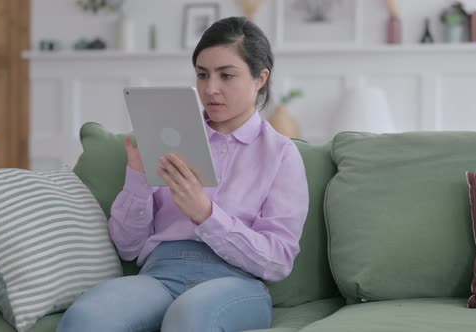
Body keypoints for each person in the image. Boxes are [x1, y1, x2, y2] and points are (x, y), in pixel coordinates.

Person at [57, 16, 309, 332]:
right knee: (86, 318)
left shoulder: (281, 154)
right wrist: (138, 176)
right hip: (160, 274)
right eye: (202, 75)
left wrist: (206, 215)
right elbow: (128, 247)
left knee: (188, 319)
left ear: (260, 78)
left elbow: (278, 260)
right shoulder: (167, 138)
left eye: (226, 75)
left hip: (235, 281)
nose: (210, 88)